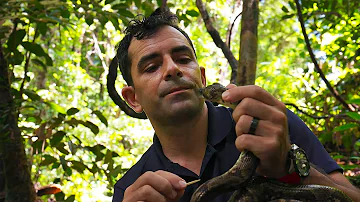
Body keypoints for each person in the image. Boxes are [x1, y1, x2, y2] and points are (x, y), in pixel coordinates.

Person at [111, 9, 360, 202]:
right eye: (152, 67)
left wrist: (288, 166)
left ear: (203, 78)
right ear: (133, 98)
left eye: (183, 59)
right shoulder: (132, 187)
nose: (173, 69)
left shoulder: (267, 122)